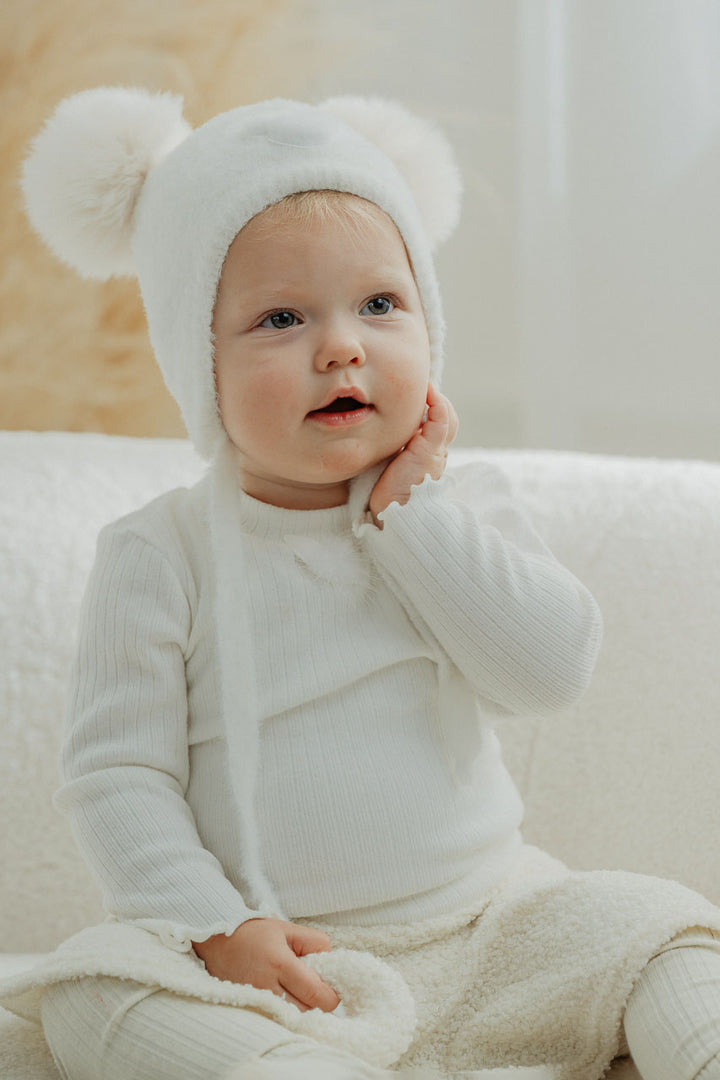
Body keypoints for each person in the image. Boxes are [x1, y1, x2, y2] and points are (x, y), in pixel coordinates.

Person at [5, 88, 720, 1080]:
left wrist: (408, 516)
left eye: (380, 304)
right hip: (286, 969)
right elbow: (118, 776)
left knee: (663, 936)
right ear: (194, 360)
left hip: (493, 931)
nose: (341, 345)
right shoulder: (159, 552)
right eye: (281, 317)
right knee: (90, 996)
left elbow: (547, 673)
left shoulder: (459, 507)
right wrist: (216, 925)